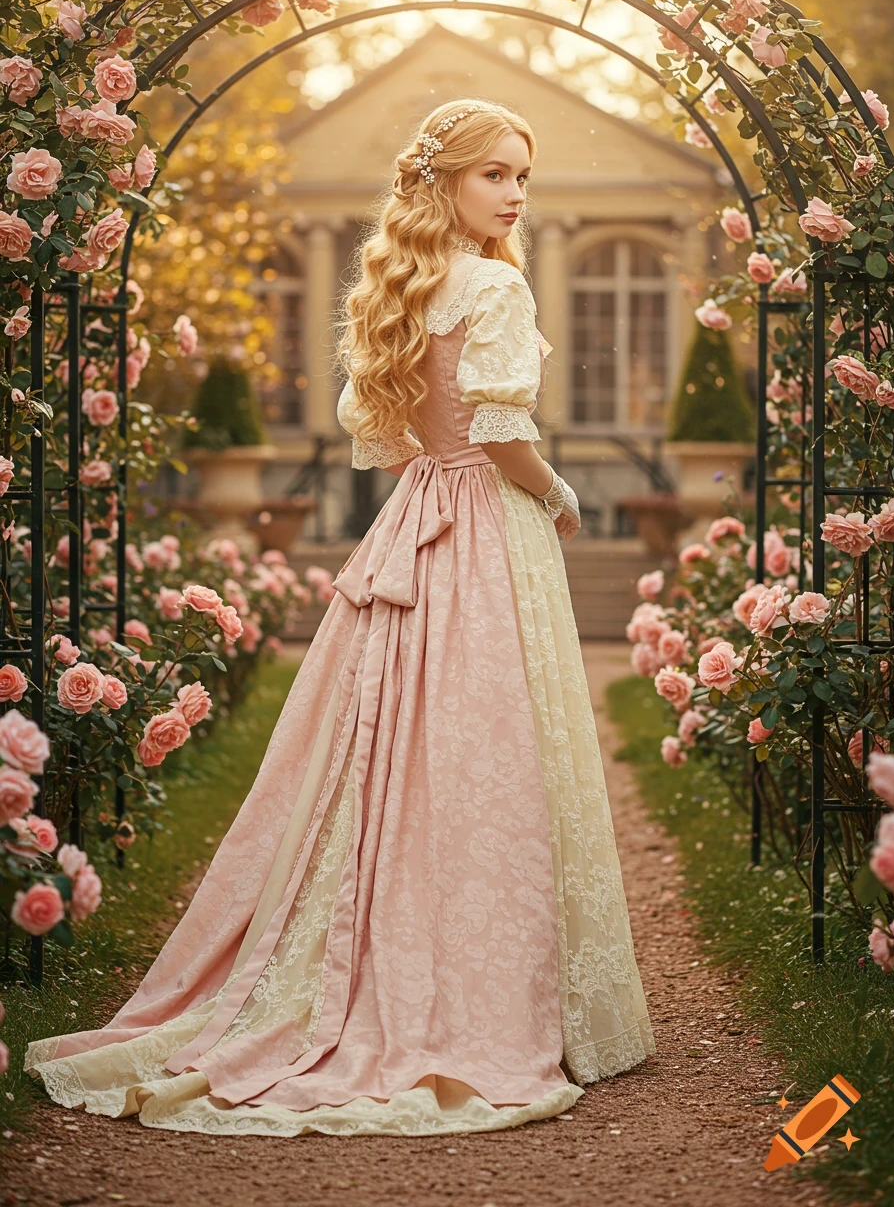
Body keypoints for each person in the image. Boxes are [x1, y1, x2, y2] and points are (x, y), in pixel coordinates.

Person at [25, 97, 655, 1138]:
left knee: (399, 741)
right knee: (489, 745)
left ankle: (376, 943)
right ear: (443, 180)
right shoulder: (493, 283)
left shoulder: (407, 284)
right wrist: (555, 491)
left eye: (521, 176)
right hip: (485, 526)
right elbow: (499, 429)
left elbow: (408, 433)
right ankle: (469, 985)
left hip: (417, 518)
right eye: (493, 174)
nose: (512, 194)